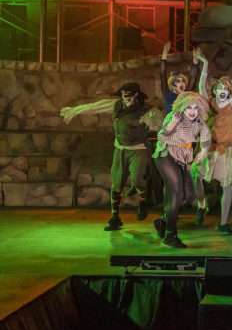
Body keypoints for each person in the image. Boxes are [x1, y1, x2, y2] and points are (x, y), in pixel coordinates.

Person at [60, 82, 163, 230]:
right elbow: (95, 107)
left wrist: (151, 124)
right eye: (123, 96)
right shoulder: (117, 105)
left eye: (128, 96)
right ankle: (115, 217)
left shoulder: (148, 110)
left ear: (136, 95)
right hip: (120, 149)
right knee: (116, 183)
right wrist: (74, 110)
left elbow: (162, 126)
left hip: (138, 149)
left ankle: (143, 201)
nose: (125, 99)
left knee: (137, 179)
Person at [196, 46, 232, 234]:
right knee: (196, 176)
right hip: (210, 147)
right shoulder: (211, 104)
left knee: (226, 186)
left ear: (230, 92)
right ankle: (201, 204)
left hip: (226, 149)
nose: (223, 89)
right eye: (220, 87)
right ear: (216, 90)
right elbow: (201, 86)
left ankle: (223, 223)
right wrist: (204, 64)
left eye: (226, 88)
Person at [152, 92, 211, 248]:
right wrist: (173, 123)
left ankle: (163, 221)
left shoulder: (199, 122)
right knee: (176, 195)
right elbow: (161, 135)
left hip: (183, 157)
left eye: (195, 108)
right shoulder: (174, 116)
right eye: (188, 108)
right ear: (182, 108)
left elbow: (206, 136)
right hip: (166, 155)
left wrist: (202, 153)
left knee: (188, 196)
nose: (192, 111)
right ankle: (170, 235)